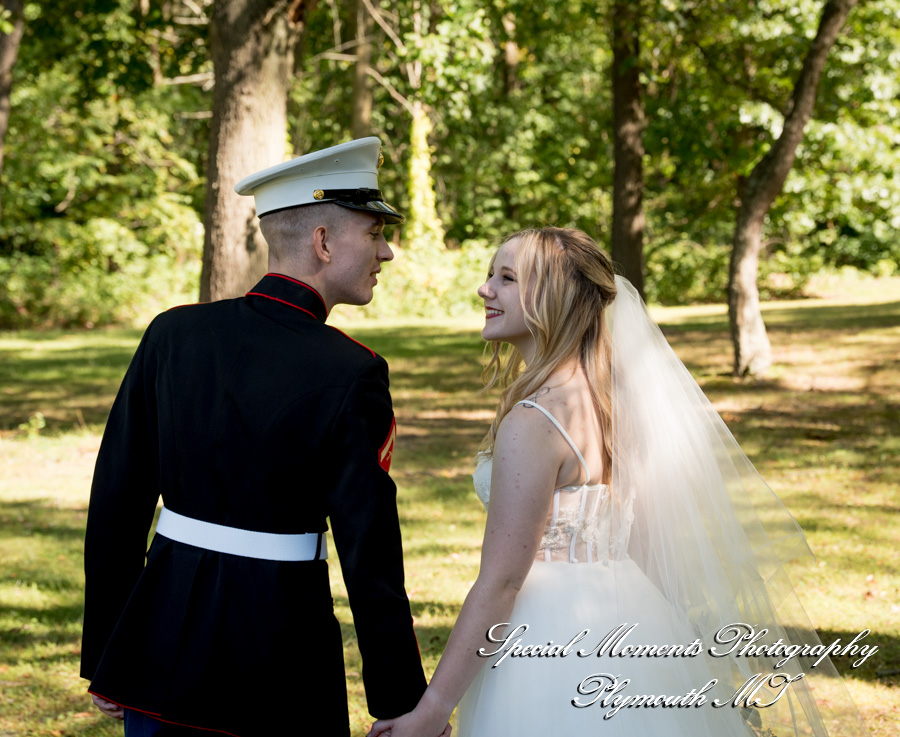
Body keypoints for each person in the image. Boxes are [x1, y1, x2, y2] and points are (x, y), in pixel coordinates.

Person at [370, 227, 873, 737]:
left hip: (547, 640)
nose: (485, 289)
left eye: (506, 278)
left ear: (553, 298)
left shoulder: (534, 420)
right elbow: (646, 542)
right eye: (490, 275)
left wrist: (433, 709)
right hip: (632, 615)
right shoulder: (614, 401)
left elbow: (502, 581)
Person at [81, 138, 434, 737]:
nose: (387, 251)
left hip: (158, 643)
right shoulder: (352, 371)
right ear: (323, 242)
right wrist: (400, 700)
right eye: (375, 233)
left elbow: (116, 501)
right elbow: (370, 555)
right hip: (279, 651)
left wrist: (108, 654)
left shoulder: (173, 334)